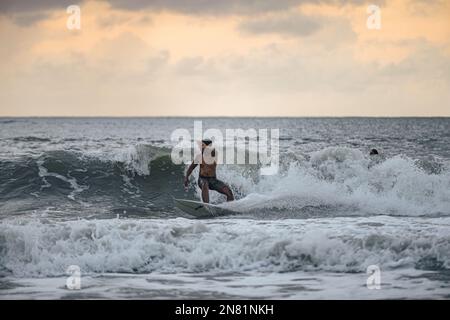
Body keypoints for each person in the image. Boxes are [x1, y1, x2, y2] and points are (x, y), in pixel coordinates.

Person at [184, 139, 234, 203]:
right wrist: (186, 178)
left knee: (228, 191)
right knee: (205, 184)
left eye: (202, 145)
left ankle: (229, 206)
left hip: (213, 180)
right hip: (202, 179)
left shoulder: (214, 154)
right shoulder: (199, 157)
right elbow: (191, 168)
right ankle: (207, 206)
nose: (200, 148)